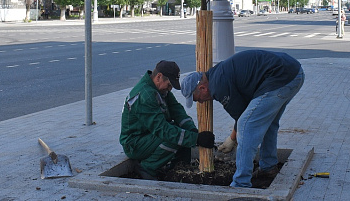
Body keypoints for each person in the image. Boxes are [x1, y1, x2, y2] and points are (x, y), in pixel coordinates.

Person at [181, 50, 305, 188]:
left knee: (247, 128)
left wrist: (232, 139)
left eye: (198, 99)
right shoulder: (217, 74)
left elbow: (242, 119)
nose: (202, 103)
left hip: (280, 77)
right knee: (267, 123)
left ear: (202, 87)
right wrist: (233, 137)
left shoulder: (218, 86)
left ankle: (241, 183)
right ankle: (268, 168)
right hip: (293, 72)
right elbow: (246, 110)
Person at [120, 60, 214, 180]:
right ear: (159, 77)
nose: (170, 89)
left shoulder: (160, 90)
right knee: (174, 136)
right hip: (134, 143)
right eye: (169, 85)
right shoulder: (145, 95)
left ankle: (180, 167)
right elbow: (162, 130)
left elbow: (177, 111)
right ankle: (147, 167)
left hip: (148, 136)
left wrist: (193, 131)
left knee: (181, 133)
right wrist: (196, 139)